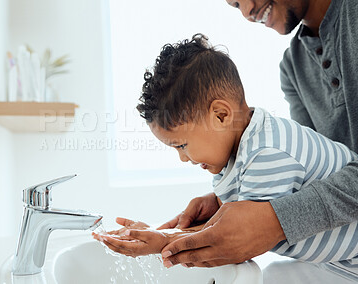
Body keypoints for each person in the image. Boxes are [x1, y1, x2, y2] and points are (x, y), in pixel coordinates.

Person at [93, 34, 358, 271]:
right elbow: (228, 219)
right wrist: (170, 229)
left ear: (221, 116)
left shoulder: (267, 153)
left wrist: (159, 240)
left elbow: (238, 237)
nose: (183, 158)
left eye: (182, 145)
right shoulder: (240, 151)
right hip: (337, 263)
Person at [156, 0, 358, 269]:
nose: (246, 13)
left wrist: (276, 220)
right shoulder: (294, 66)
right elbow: (316, 176)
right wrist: (230, 201)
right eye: (235, 4)